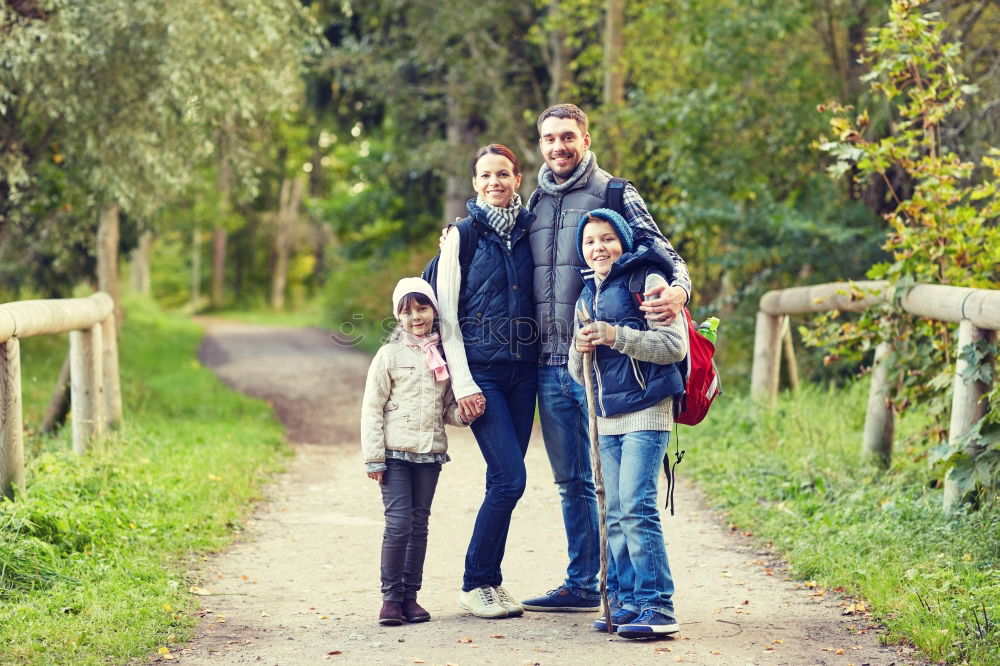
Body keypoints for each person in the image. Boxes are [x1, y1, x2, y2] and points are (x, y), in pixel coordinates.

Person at [521, 103, 692, 612]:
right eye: (549, 138)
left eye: (567, 137)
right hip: (554, 361)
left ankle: (636, 594)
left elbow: (665, 254)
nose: (558, 147)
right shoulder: (535, 202)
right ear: (541, 144)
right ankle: (585, 584)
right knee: (572, 481)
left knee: (617, 489)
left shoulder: (616, 192)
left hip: (609, 365)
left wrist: (680, 289)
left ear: (586, 137)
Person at [569, 209, 686, 637]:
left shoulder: (649, 282)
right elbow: (576, 371)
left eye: (606, 239)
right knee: (614, 512)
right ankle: (624, 602)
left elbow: (673, 347)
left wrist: (615, 335)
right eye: (590, 242)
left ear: (622, 241)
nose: (598, 248)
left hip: (647, 410)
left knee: (636, 507)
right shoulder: (585, 297)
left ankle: (658, 606)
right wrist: (580, 344)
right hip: (607, 418)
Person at [437, 144, 539, 619]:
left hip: (525, 374)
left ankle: (491, 582)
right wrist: (464, 385)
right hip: (483, 374)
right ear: (474, 182)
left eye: (503, 173)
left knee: (504, 480)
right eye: (485, 175)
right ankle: (476, 581)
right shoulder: (461, 235)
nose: (494, 182)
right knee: (510, 478)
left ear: (518, 178)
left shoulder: (531, 229)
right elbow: (447, 319)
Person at [360, 277, 470, 626]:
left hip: (429, 454)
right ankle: (390, 599)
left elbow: (447, 407)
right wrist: (374, 457)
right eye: (406, 312)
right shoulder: (389, 355)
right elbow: (372, 407)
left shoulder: (445, 355)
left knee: (419, 525)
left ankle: (411, 597)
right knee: (399, 523)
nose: (415, 317)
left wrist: (463, 414)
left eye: (422, 308)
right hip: (394, 453)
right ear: (398, 317)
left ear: (434, 311)